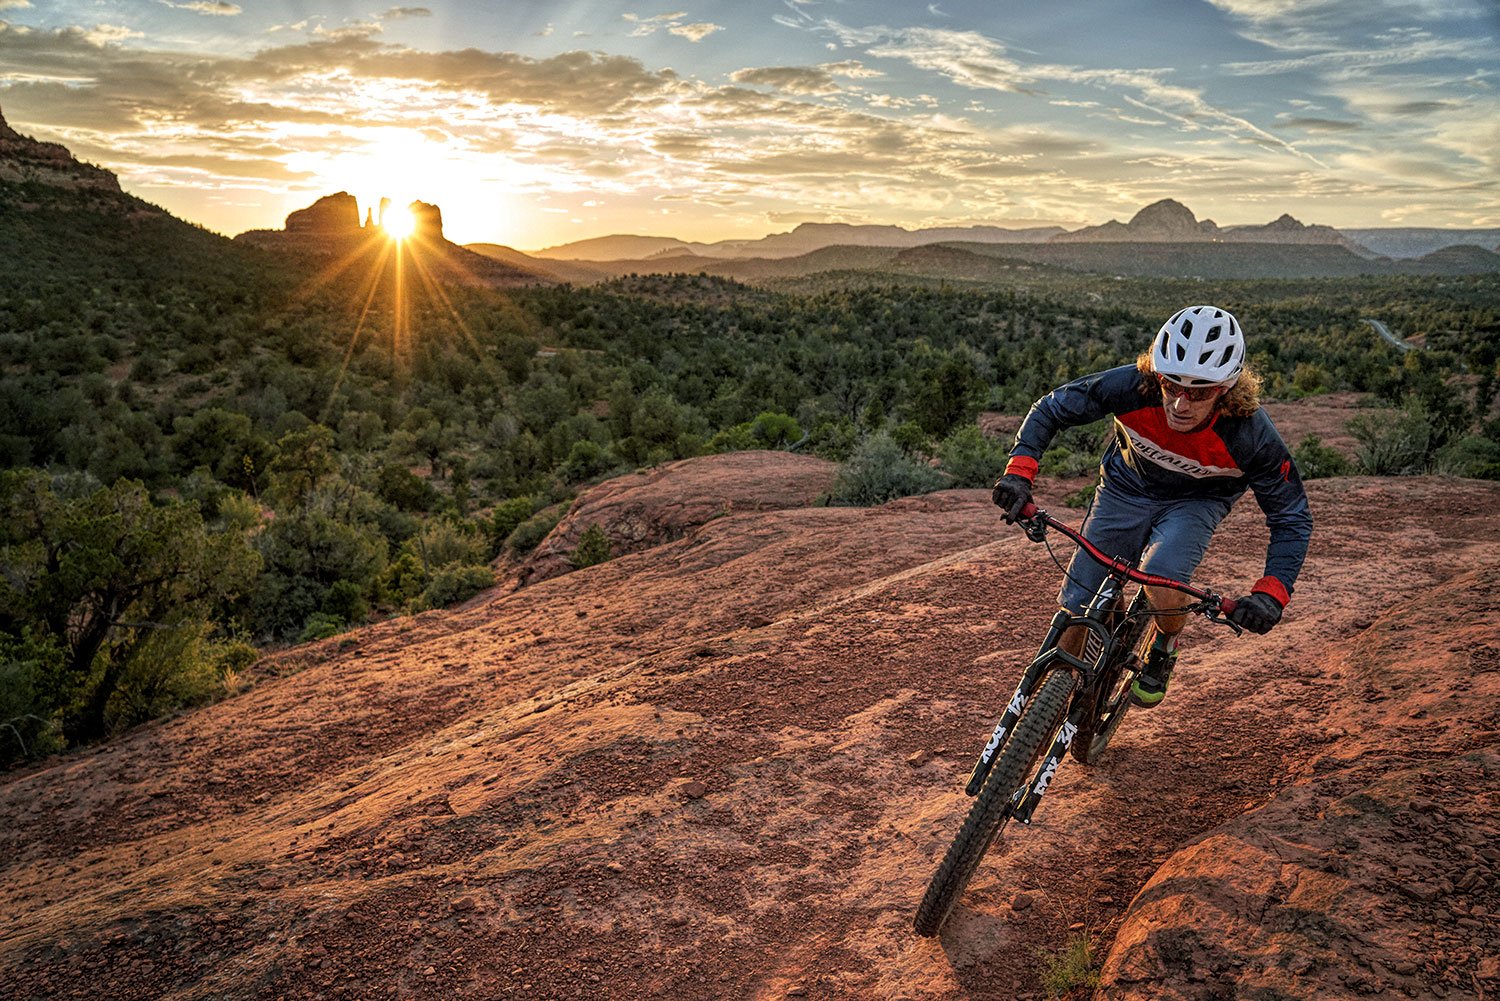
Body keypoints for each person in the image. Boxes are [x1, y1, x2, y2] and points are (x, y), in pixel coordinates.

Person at [990, 305, 1312, 707]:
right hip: (1126, 486)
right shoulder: (1133, 386)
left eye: (1199, 392)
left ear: (1226, 388)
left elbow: (1291, 517)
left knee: (1161, 574)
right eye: (1171, 385)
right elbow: (1052, 408)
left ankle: (1164, 643)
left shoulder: (1251, 436)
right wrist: (1019, 473)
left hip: (1197, 501)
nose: (1180, 404)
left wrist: (1271, 594)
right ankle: (1052, 706)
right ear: (1156, 374)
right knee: (1077, 603)